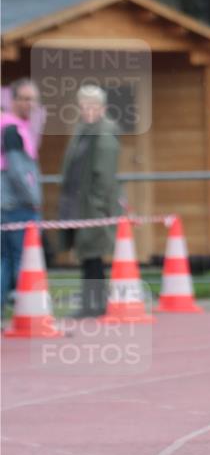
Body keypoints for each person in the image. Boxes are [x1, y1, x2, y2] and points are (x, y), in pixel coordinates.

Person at [58, 84, 121, 317]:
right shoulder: (84, 130)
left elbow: (103, 175)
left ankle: (94, 304)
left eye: (91, 105)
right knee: (87, 255)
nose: (87, 109)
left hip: (93, 207)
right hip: (81, 205)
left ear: (102, 107)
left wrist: (97, 206)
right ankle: (91, 303)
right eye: (83, 105)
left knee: (93, 255)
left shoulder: (103, 132)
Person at [1, 79, 43, 314]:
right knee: (23, 260)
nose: (30, 104)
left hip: (6, 202)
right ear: (14, 100)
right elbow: (18, 170)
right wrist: (33, 198)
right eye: (25, 99)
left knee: (6, 260)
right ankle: (28, 313)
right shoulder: (12, 129)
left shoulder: (12, 126)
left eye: (33, 99)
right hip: (16, 203)